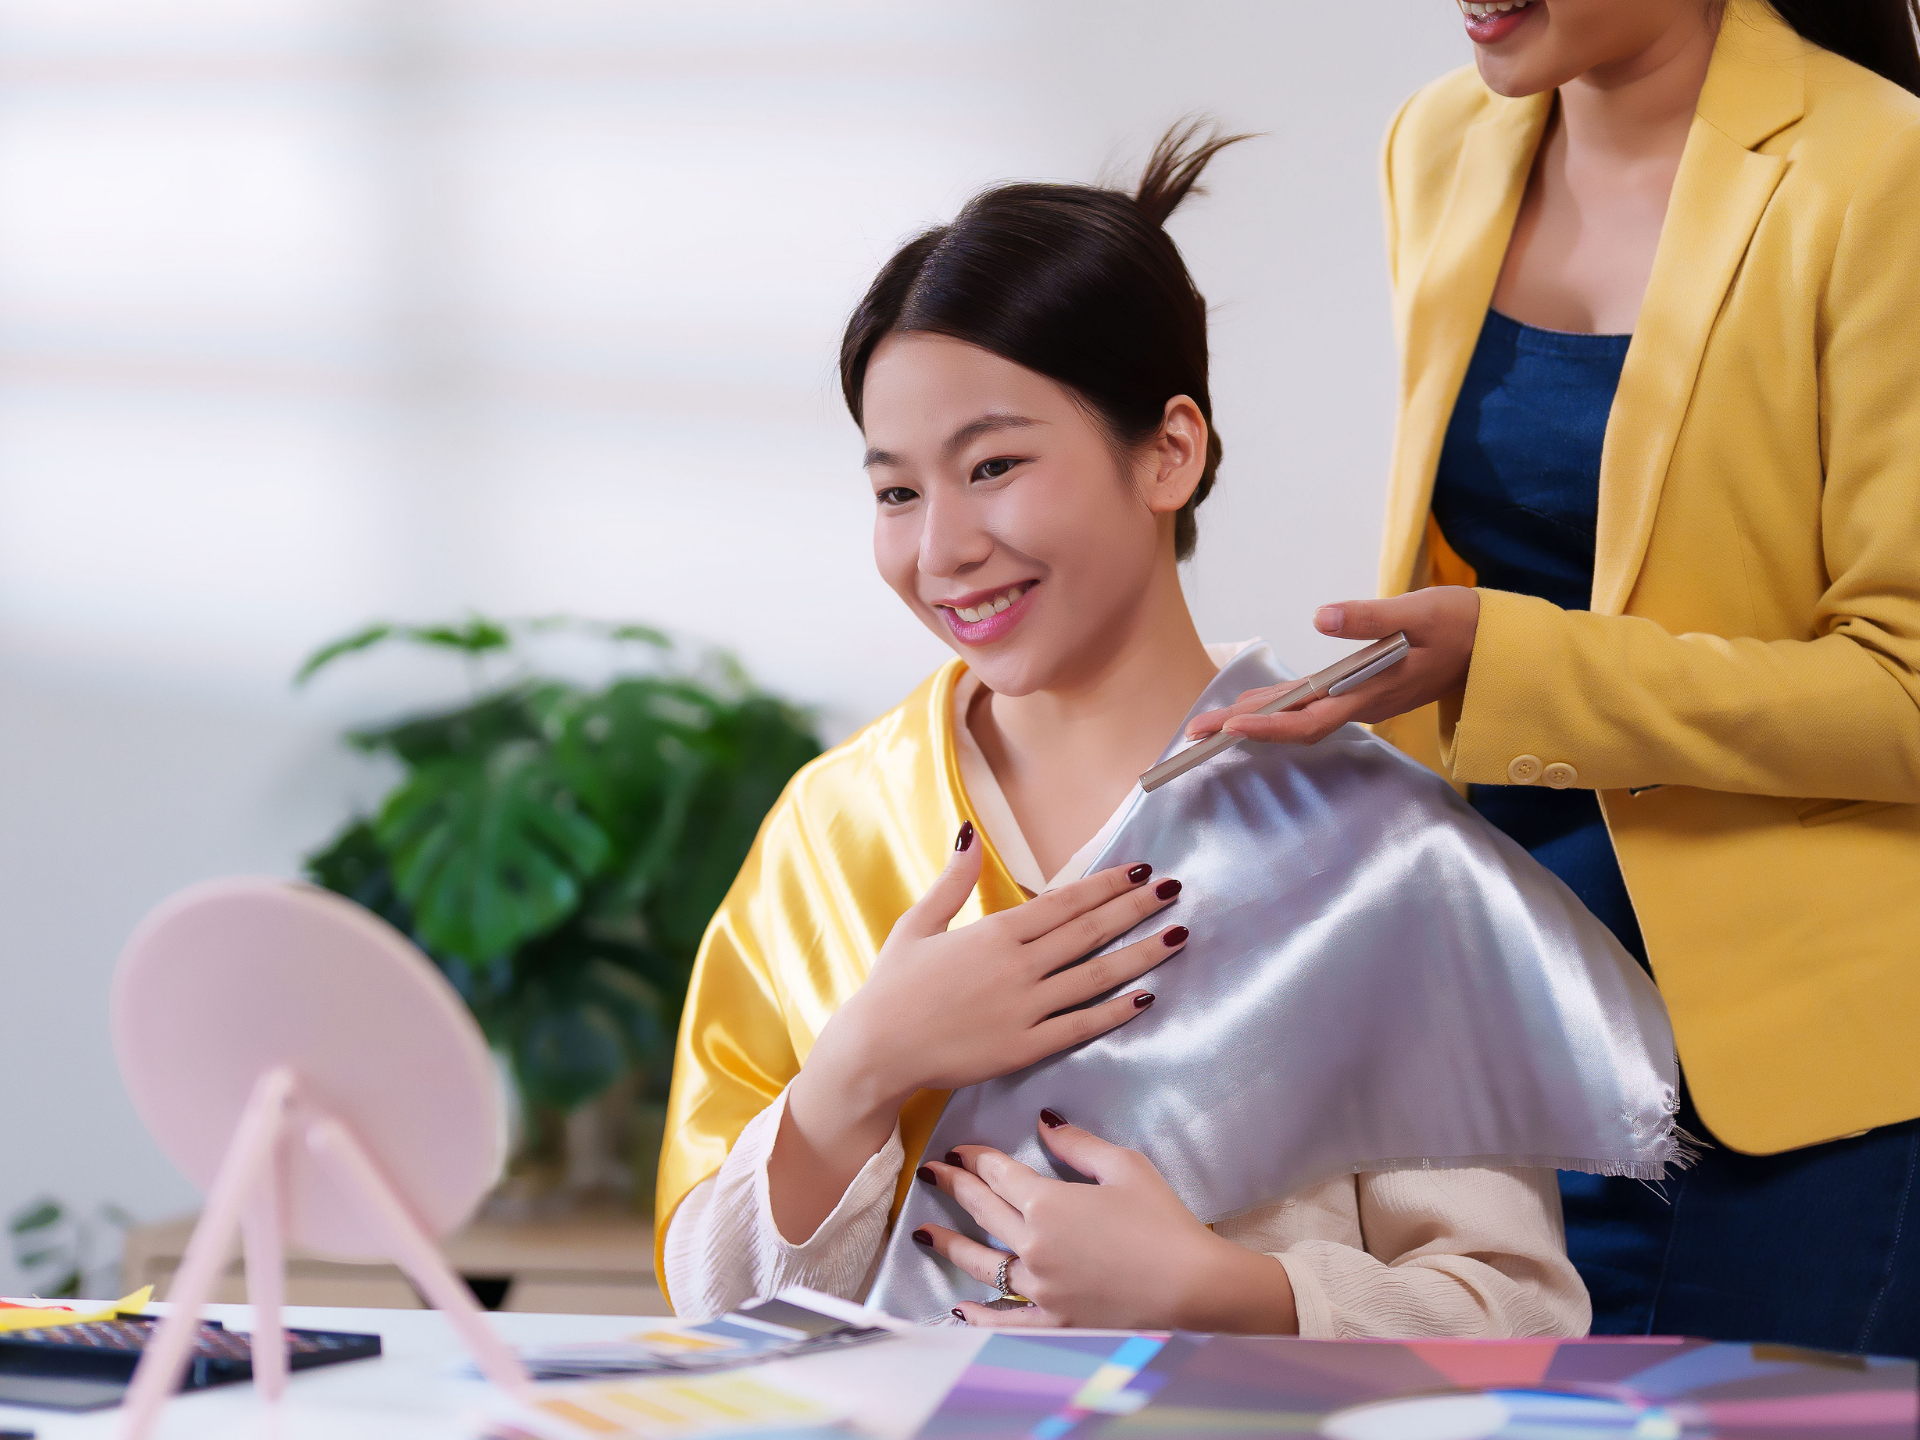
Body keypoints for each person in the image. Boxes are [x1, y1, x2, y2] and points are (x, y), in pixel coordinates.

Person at [653, 125, 1681, 1337]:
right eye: (895, 491)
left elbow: (1517, 1318)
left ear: (1169, 453)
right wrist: (857, 1072)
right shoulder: (833, 829)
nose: (940, 550)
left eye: (993, 466)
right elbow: (708, 1318)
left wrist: (1220, 1292)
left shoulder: (1372, 848)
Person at [1190, 0, 1920, 1357]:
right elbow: (1488, 571)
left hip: (1778, 1068)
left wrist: (1513, 663)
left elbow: (1905, 691)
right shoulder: (1441, 141)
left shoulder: (1883, 175)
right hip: (1505, 1016)